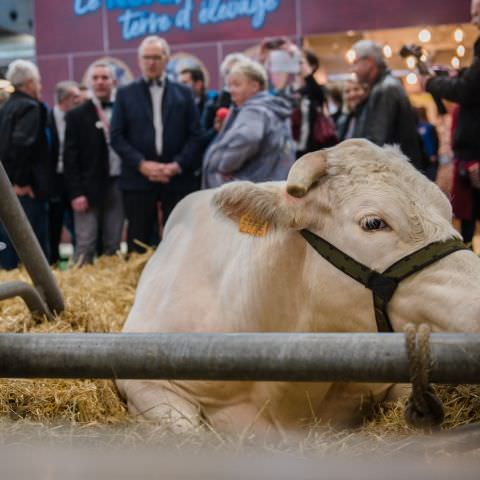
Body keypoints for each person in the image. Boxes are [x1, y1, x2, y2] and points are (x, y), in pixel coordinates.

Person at [110, 36, 204, 253]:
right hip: (137, 178)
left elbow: (196, 135)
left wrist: (176, 165)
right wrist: (142, 165)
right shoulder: (125, 94)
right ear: (139, 60)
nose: (151, 62)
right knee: (138, 239)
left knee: (181, 237)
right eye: (146, 57)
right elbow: (116, 136)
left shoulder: (185, 93)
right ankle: (137, 285)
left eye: (156, 57)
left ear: (166, 59)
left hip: (178, 178)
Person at [420, 0, 480, 243]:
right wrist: (457, 75)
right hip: (468, 158)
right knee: (467, 217)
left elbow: (468, 90)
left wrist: (432, 84)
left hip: (474, 157)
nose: (473, 21)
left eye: (477, 14)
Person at [63, 61, 124, 265]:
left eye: (104, 78)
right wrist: (76, 192)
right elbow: (70, 158)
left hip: (120, 184)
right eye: (95, 78)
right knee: (85, 244)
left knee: (113, 243)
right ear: (89, 82)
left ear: (113, 82)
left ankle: (113, 292)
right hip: (87, 189)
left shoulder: (125, 109)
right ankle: (81, 295)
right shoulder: (76, 115)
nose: (100, 82)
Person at [202, 59, 295, 189]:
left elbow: (248, 138)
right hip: (269, 186)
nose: (231, 90)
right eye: (229, 85)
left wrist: (222, 166)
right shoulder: (271, 107)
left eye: (237, 85)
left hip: (252, 191)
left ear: (255, 86)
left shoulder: (254, 110)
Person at [0, 60, 52, 270]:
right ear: (30, 83)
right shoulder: (30, 107)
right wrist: (20, 182)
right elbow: (22, 146)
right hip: (26, 190)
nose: (40, 87)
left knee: (9, 244)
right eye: (38, 82)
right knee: (32, 248)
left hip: (7, 189)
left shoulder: (5, 107)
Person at [351, 40, 424, 170]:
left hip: (395, 172)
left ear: (369, 62)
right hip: (397, 169)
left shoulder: (386, 88)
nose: (353, 69)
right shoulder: (384, 86)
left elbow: (377, 140)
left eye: (355, 62)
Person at [48, 80, 82, 265]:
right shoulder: (46, 117)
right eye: (75, 97)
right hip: (53, 181)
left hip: (74, 179)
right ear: (65, 99)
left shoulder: (79, 118)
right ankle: (52, 264)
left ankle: (79, 261)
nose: (79, 100)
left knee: (79, 225)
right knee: (53, 224)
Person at [336, 74, 368, 141]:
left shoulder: (372, 116)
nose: (352, 94)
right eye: (347, 91)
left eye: (356, 89)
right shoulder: (342, 119)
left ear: (365, 92)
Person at [415, 106, 439, 182]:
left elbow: (433, 141)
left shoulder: (428, 127)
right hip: (424, 158)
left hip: (428, 158)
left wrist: (433, 154)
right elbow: (435, 141)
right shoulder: (419, 127)